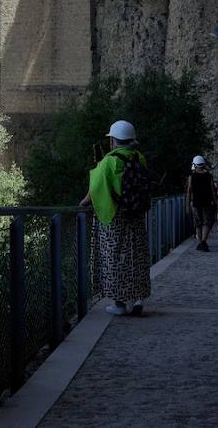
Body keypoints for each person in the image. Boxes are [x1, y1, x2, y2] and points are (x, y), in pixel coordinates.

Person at [79, 120, 152, 316]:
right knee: (136, 254)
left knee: (115, 256)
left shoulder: (109, 161)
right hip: (135, 215)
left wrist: (83, 203)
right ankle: (138, 299)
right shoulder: (139, 158)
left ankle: (119, 303)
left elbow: (95, 189)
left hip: (115, 217)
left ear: (113, 141)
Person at [185, 155, 217, 251]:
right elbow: (212, 191)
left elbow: (189, 191)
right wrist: (216, 202)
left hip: (196, 202)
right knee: (206, 223)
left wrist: (187, 205)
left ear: (194, 165)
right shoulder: (209, 176)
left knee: (198, 224)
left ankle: (200, 243)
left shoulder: (192, 177)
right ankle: (203, 241)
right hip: (207, 202)